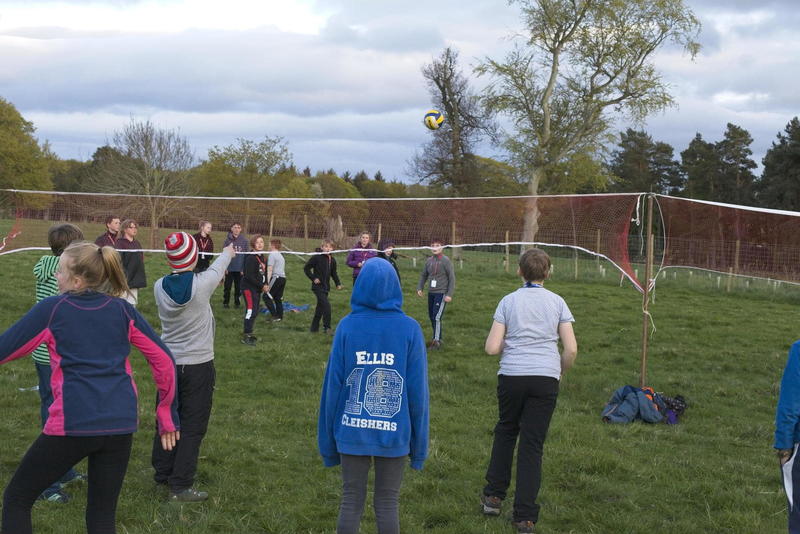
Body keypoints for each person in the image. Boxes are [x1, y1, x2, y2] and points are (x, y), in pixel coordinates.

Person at [0, 241, 179, 534]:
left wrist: (167, 413)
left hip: (74, 422)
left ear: (77, 281)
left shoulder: (52, 309)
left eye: (60, 271)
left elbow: (4, 348)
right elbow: (165, 361)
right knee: (102, 515)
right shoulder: (123, 310)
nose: (55, 275)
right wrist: (166, 414)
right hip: (120, 424)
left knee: (17, 499)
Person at [318, 258, 429, 534]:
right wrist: (419, 447)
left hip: (351, 430)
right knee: (387, 503)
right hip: (394, 432)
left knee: (351, 501)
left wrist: (328, 443)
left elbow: (331, 390)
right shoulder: (410, 329)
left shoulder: (346, 326)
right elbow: (418, 395)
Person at [480, 248, 577, 534]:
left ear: (519, 271)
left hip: (512, 376)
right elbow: (571, 349)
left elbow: (491, 348)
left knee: (506, 430)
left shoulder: (508, 301)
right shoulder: (558, 302)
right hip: (545, 378)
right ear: (548, 272)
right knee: (532, 445)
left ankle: (493, 496)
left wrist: (510, 342)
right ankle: (524, 517)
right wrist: (560, 370)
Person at [151, 232, 234, 503]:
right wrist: (229, 251)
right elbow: (219, 266)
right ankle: (181, 484)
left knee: (167, 417)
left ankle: (162, 472)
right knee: (193, 425)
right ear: (194, 256)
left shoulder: (158, 286)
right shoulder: (202, 285)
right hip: (198, 366)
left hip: (168, 366)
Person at [31, 223, 86, 504]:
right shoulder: (68, 272)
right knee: (54, 418)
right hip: (55, 355)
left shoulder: (43, 264)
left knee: (63, 413)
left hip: (46, 355)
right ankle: (47, 483)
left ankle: (64, 471)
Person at [415, 239, 455, 350]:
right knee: (431, 316)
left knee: (436, 317)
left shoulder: (446, 261)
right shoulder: (429, 261)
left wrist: (449, 294)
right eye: (432, 245)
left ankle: (436, 341)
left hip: (441, 293)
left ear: (442, 247)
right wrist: (420, 287)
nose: (434, 247)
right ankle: (437, 337)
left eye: (437, 245)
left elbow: (452, 278)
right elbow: (424, 275)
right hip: (431, 293)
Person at [304, 240, 343, 334]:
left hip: (326, 288)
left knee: (320, 309)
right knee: (327, 306)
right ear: (322, 247)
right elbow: (306, 268)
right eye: (326, 246)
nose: (328, 249)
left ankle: (314, 329)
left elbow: (334, 273)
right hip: (317, 287)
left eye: (330, 247)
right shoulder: (316, 257)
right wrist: (313, 278)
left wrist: (338, 283)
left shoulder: (332, 260)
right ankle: (327, 328)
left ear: (332, 249)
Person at [240, 234, 267, 346]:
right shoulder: (251, 258)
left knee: (255, 310)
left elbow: (263, 273)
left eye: (261, 242)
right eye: (257, 242)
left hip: (257, 289)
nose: (260, 244)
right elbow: (249, 276)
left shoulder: (262, 256)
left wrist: (265, 283)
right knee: (250, 311)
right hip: (248, 288)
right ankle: (246, 334)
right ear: (253, 244)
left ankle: (249, 331)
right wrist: (261, 286)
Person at [114, 219, 146, 306]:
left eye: (135, 227)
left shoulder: (137, 243)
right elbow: (118, 262)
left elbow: (141, 260)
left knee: (132, 305)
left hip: (134, 280)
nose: (134, 229)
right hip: (123, 280)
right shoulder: (119, 243)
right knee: (121, 304)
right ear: (125, 229)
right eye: (131, 227)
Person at [222, 222, 248, 309]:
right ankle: (226, 302)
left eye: (238, 227)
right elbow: (224, 255)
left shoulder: (244, 241)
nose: (237, 229)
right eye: (235, 227)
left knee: (238, 287)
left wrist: (243, 268)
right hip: (229, 268)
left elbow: (246, 256)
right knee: (227, 287)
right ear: (232, 229)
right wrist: (225, 267)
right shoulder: (227, 241)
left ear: (241, 229)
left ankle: (237, 303)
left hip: (239, 269)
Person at [263, 239, 287, 322]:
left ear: (273, 245)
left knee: (266, 296)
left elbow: (270, 269)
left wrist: (267, 282)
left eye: (269, 244)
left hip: (276, 278)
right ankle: (280, 316)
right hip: (283, 279)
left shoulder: (272, 254)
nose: (268, 246)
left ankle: (275, 315)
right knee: (277, 298)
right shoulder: (281, 255)